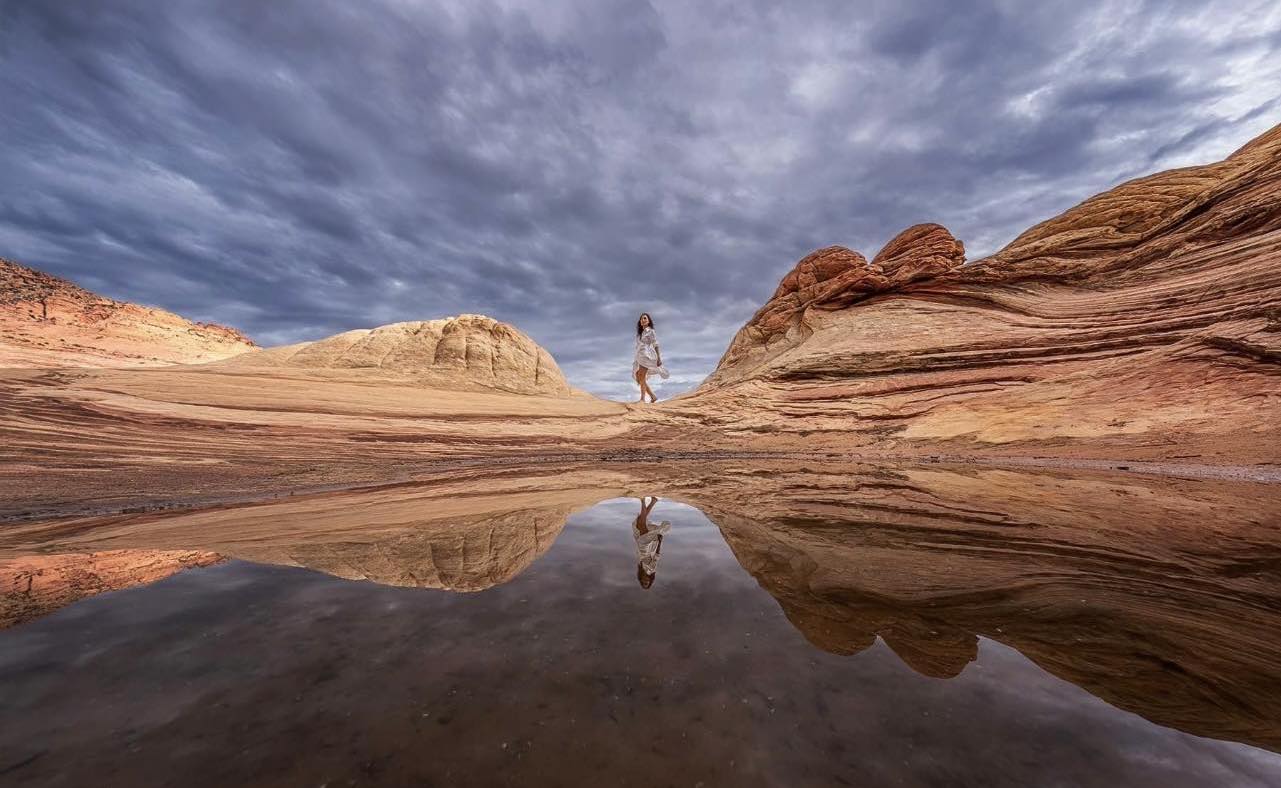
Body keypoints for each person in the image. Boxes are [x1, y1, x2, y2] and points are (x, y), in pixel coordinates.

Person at [632, 495, 671, 589]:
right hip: (647, 548)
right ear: (650, 580)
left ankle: (653, 501)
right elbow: (657, 556)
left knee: (639, 523)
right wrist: (660, 540)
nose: (646, 581)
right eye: (647, 583)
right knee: (641, 524)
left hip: (641, 548)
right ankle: (642, 500)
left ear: (641, 580)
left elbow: (640, 557)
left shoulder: (640, 570)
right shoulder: (652, 570)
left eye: (644, 583)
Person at [632, 312, 667, 403]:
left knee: (642, 376)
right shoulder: (640, 334)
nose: (643, 320)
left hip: (646, 355)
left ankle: (642, 399)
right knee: (638, 376)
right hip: (639, 356)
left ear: (648, 321)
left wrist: (659, 358)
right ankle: (653, 396)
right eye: (641, 319)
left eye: (645, 318)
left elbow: (656, 344)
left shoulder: (651, 331)